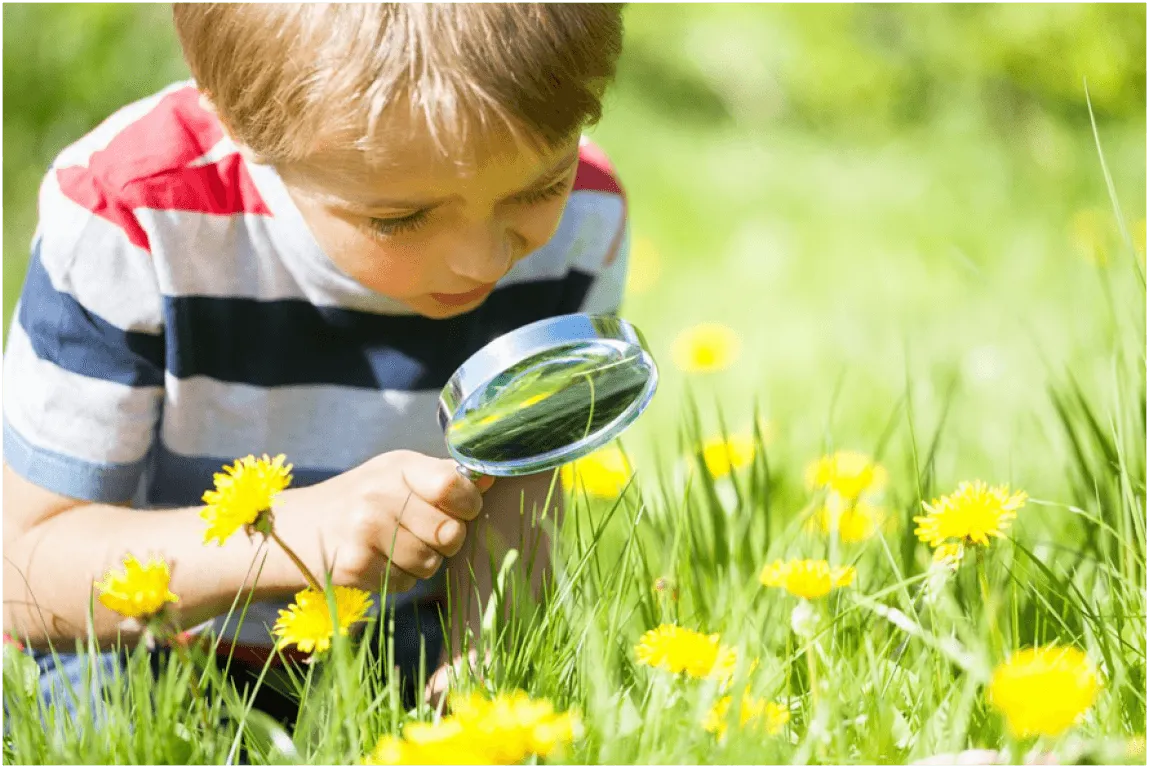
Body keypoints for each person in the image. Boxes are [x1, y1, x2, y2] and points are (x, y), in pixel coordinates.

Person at [1, 1, 628, 727]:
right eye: (399, 220)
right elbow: (25, 574)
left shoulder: (585, 218)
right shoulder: (136, 218)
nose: (483, 258)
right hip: (143, 645)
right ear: (241, 123)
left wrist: (483, 650)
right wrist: (290, 537)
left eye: (537, 188)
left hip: (391, 643)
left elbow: (518, 491)